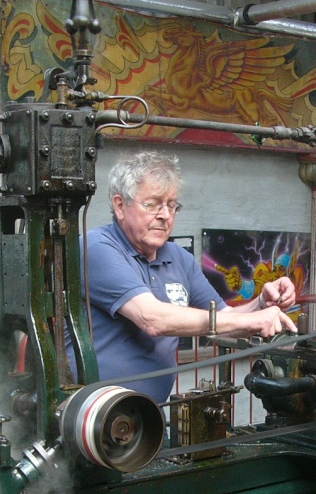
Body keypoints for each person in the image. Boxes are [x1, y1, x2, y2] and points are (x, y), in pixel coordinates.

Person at [71, 151, 297, 403]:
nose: (165, 215)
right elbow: (152, 319)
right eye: (153, 204)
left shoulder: (178, 258)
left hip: (148, 415)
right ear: (120, 205)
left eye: (171, 205)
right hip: (93, 417)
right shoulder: (96, 248)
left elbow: (225, 321)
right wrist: (254, 321)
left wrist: (261, 305)